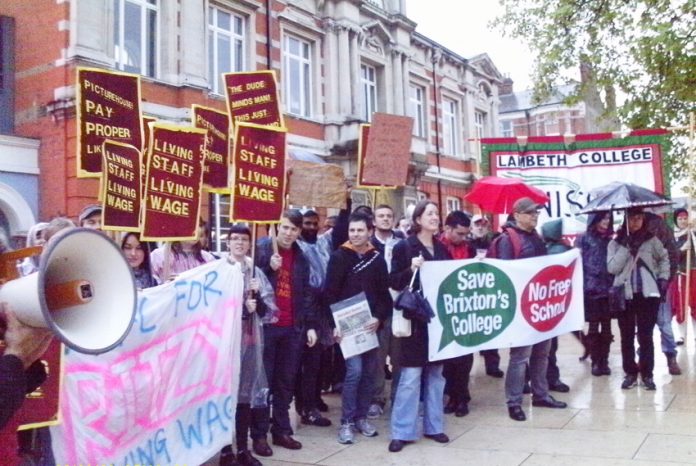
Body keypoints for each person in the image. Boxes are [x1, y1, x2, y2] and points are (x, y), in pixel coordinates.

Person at [251, 210, 318, 456]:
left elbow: (306, 292)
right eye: (285, 227)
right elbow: (251, 285)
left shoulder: (301, 256)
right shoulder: (261, 249)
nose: (288, 233)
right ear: (277, 227)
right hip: (266, 328)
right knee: (263, 383)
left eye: (293, 229)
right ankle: (258, 435)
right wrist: (268, 267)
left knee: (285, 382)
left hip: (292, 329)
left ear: (299, 232)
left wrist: (309, 324)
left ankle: (281, 430)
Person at [388, 200, 450, 453]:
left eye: (437, 213)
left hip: (436, 323)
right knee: (411, 377)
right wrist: (409, 269)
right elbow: (393, 281)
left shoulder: (442, 248)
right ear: (418, 219)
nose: (435, 217)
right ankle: (402, 431)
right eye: (430, 213)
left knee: (436, 376)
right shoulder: (404, 247)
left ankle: (434, 426)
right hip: (414, 321)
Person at [324, 212, 392, 444]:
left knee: (370, 374)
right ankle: (346, 421)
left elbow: (384, 296)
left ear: (369, 231)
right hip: (347, 325)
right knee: (354, 372)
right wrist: (334, 325)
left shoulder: (377, 259)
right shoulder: (339, 257)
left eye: (360, 230)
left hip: (370, 325)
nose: (355, 234)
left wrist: (379, 318)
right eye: (352, 230)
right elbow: (330, 293)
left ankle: (362, 417)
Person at [497, 198, 567, 422]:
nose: (534, 216)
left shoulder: (535, 237)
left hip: (540, 305)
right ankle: (514, 402)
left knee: (542, 352)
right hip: (520, 308)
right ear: (516, 215)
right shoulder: (508, 240)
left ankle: (541, 394)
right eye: (529, 213)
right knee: (520, 357)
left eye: (536, 212)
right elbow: (505, 274)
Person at [219, 225, 278, 466]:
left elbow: (269, 311)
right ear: (229, 243)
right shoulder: (222, 270)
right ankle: (225, 450)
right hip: (226, 344)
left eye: (244, 239)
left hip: (250, 343)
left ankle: (243, 448)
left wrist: (257, 305)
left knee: (244, 397)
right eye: (235, 239)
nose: (240, 243)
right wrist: (242, 308)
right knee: (225, 396)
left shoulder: (254, 272)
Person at [607, 207, 669, 390]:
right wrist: (626, 248)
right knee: (626, 337)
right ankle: (630, 373)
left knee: (646, 336)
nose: (636, 222)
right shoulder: (616, 243)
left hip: (647, 296)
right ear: (625, 220)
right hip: (624, 297)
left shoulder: (651, 240)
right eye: (632, 219)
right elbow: (612, 268)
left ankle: (647, 374)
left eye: (639, 218)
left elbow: (664, 258)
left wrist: (663, 277)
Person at [295, 210, 332, 428]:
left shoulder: (322, 244)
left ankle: (313, 399)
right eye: (306, 223)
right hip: (305, 311)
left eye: (314, 223)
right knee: (307, 364)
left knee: (319, 361)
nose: (311, 227)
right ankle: (306, 406)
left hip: (322, 309)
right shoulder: (297, 248)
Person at [367, 204, 404, 419]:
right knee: (377, 358)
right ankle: (377, 398)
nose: (385, 219)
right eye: (381, 216)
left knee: (399, 357)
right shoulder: (369, 245)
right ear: (374, 220)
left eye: (389, 216)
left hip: (399, 307)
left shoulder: (402, 243)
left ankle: (399, 396)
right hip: (379, 309)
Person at [438, 211, 475, 417]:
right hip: (445, 307)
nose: (463, 238)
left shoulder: (469, 248)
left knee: (464, 355)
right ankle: (452, 394)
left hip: (465, 307)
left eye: (466, 234)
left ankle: (462, 396)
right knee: (448, 356)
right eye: (460, 234)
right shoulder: (437, 247)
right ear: (448, 229)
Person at [644, 211, 682, 375]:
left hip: (660, 282)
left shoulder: (660, 225)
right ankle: (643, 357)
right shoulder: (628, 228)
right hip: (641, 285)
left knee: (664, 322)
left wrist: (666, 279)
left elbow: (673, 254)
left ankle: (671, 356)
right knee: (643, 326)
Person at [578, 212, 615, 376]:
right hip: (591, 289)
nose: (606, 222)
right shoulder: (584, 239)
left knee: (607, 328)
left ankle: (604, 361)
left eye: (608, 219)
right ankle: (595, 361)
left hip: (608, 290)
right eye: (603, 218)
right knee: (593, 327)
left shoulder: (610, 240)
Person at [469, 215, 504, 378]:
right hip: (471, 294)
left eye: (484, 224)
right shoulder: (468, 245)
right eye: (477, 225)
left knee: (490, 328)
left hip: (488, 292)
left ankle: (492, 364)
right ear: (471, 227)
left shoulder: (493, 243)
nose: (481, 227)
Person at [539, 218, 571, 392]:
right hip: (551, 304)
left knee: (547, 347)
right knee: (550, 346)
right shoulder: (562, 249)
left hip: (546, 302)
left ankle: (549, 378)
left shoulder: (553, 250)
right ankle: (551, 378)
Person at [671, 208, 695, 346]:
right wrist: (681, 249)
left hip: (694, 271)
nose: (683, 221)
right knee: (681, 305)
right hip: (681, 274)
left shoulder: (693, 233)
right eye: (680, 219)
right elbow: (671, 257)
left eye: (685, 218)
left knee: (695, 303)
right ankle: (681, 335)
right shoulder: (673, 236)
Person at [150, 233, 216, 283]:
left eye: (198, 226)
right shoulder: (158, 256)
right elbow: (150, 286)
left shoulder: (208, 258)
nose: (195, 230)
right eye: (189, 225)